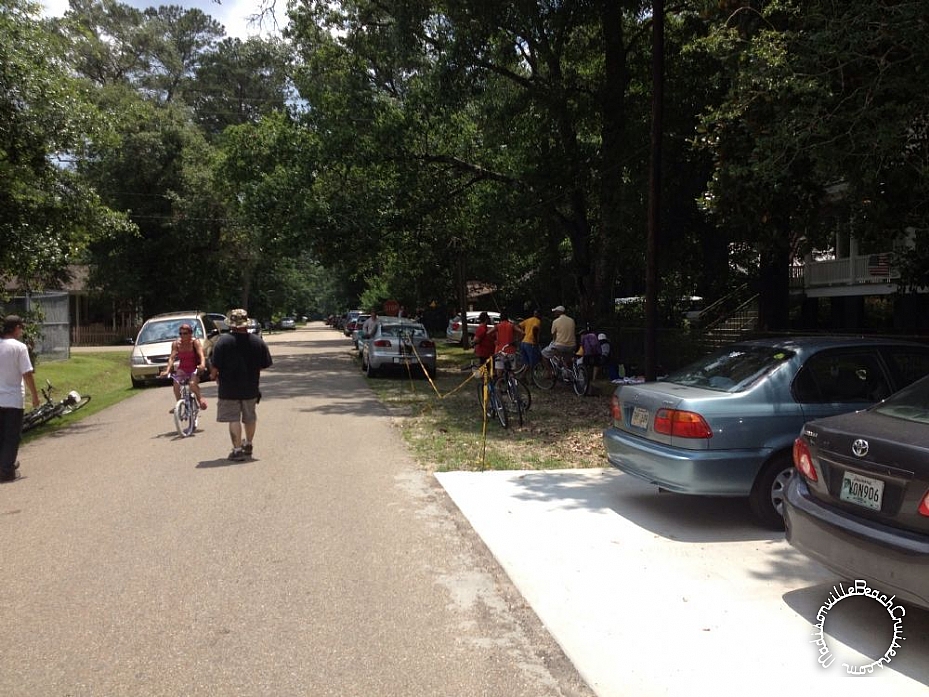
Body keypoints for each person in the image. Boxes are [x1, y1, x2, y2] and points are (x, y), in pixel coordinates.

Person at [209, 309, 272, 461]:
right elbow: (264, 364)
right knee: (249, 417)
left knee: (233, 418)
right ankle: (249, 444)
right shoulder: (258, 342)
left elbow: (215, 366)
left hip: (228, 387)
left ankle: (237, 450)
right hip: (250, 386)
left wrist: (213, 375)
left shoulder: (222, 342)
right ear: (246, 323)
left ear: (231, 324)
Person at [0, 315, 40, 482]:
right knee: (11, 436)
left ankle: (4, 464)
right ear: (16, 328)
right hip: (13, 399)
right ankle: (6, 469)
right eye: (20, 328)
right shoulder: (20, 347)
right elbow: (27, 373)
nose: (21, 331)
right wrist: (35, 395)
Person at [163, 323, 207, 411]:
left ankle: (200, 399)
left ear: (190, 334)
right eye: (180, 333)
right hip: (183, 368)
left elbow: (201, 355)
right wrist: (167, 370)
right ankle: (179, 405)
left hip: (194, 368)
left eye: (185, 333)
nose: (182, 335)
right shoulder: (176, 344)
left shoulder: (195, 342)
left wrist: (202, 364)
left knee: (192, 384)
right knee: (176, 384)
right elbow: (171, 358)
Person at [541, 305, 577, 374]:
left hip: (560, 345)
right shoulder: (572, 320)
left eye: (555, 312)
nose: (554, 313)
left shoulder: (556, 321)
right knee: (565, 358)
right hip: (572, 345)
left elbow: (553, 335)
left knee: (544, 354)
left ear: (559, 312)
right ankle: (567, 372)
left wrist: (554, 340)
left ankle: (549, 372)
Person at [493, 311, 523, 377]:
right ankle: (512, 384)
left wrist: (494, 340)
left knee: (499, 370)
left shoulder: (497, 326)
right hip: (511, 350)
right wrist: (517, 341)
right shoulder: (511, 325)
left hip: (500, 351)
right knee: (511, 370)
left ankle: (499, 384)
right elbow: (522, 333)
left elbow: (488, 333)